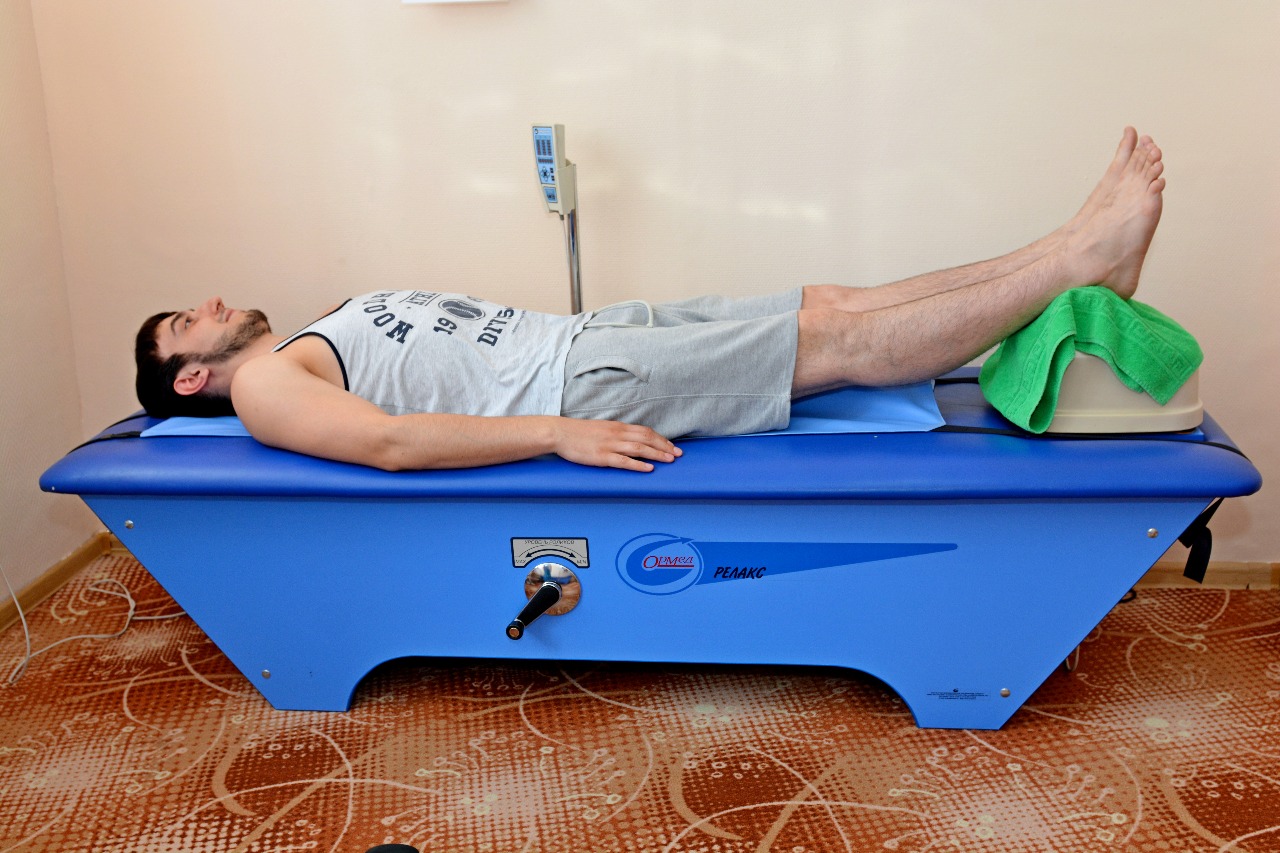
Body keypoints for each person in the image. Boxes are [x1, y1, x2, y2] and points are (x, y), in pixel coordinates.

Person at [134, 128, 1165, 473]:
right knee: (839, 339)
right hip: (581, 380)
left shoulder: (301, 345)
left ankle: (1065, 251)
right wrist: (557, 433)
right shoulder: (263, 384)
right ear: (189, 377)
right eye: (189, 321)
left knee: (828, 300)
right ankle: (1077, 259)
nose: (211, 305)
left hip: (588, 337)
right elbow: (390, 443)